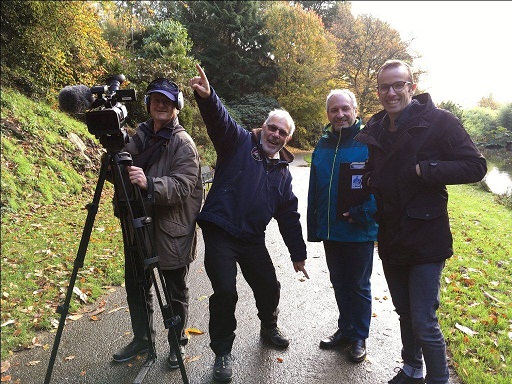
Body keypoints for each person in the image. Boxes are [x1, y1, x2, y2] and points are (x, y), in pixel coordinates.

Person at [355, 60, 487, 384]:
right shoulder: (374, 130)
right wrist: (369, 183)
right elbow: (369, 172)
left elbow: (476, 166)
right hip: (390, 235)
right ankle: (412, 369)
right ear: (378, 92)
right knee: (404, 312)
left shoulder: (440, 122)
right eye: (385, 86)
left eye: (398, 84)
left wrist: (426, 170)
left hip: (427, 236)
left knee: (424, 319)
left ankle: (438, 379)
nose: (391, 92)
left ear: (411, 87)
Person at [189, 64, 309, 383]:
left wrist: (298, 255)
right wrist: (208, 96)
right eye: (273, 128)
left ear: (287, 140)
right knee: (225, 292)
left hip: (252, 238)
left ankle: (269, 326)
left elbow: (289, 217)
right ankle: (223, 353)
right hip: (221, 233)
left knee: (270, 286)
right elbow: (220, 120)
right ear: (264, 126)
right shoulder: (238, 142)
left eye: (282, 133)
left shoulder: (283, 174)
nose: (276, 135)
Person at [112, 78, 203, 370]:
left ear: (176, 106)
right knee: (137, 285)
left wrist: (150, 182)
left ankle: (177, 342)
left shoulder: (182, 143)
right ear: (149, 104)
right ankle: (142, 338)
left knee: (174, 289)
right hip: (137, 224)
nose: (160, 105)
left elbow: (185, 185)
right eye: (155, 100)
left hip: (170, 229)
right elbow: (121, 164)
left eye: (166, 101)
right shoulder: (140, 134)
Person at [307, 89, 378, 363]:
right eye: (334, 110)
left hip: (359, 230)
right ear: (328, 114)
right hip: (331, 231)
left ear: (355, 110)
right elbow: (315, 188)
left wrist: (363, 213)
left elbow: (380, 187)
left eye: (345, 109)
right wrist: (314, 227)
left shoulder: (368, 143)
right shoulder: (322, 145)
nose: (340, 114)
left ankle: (359, 335)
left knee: (358, 284)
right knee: (339, 282)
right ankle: (346, 330)